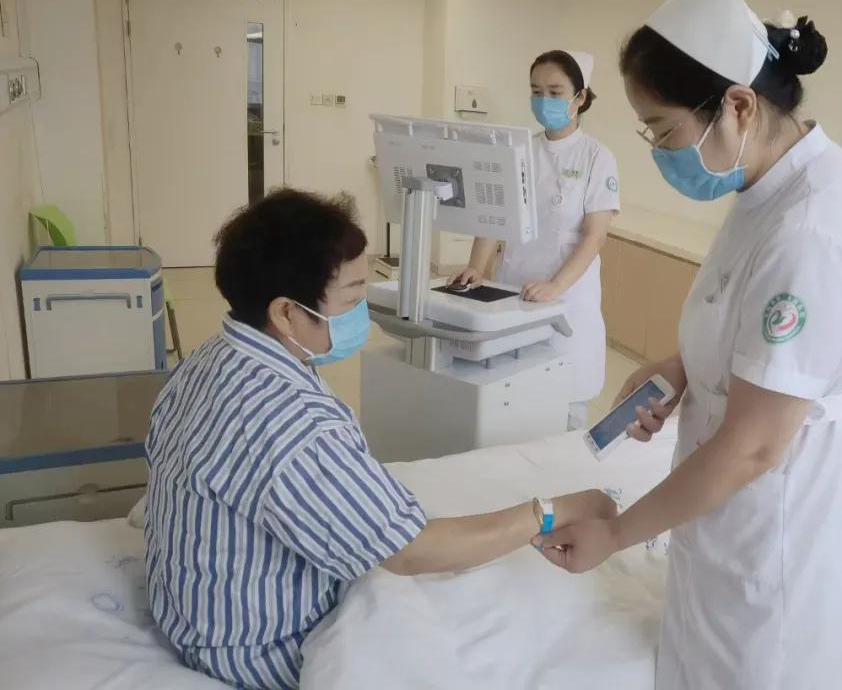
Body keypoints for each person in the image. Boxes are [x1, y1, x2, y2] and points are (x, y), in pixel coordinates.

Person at [534, 0, 842, 689]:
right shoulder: (765, 186)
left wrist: (615, 533)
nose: (660, 151)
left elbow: (755, 445)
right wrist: (682, 368)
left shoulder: (811, 233)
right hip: (728, 535)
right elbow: (747, 326)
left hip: (784, 563)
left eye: (664, 131)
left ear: (738, 106)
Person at [142, 188, 616, 690]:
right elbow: (410, 551)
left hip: (193, 616)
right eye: (351, 299)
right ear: (285, 313)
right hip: (258, 650)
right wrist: (552, 511)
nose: (360, 311)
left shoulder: (208, 360)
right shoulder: (293, 427)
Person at [452, 50, 620, 431]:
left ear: (580, 97)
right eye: (536, 91)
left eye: (555, 92)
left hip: (567, 301)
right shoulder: (520, 151)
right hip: (514, 291)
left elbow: (595, 236)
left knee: (563, 408)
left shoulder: (597, 158)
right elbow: (494, 216)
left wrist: (555, 286)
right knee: (510, 400)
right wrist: (477, 267)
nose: (544, 101)